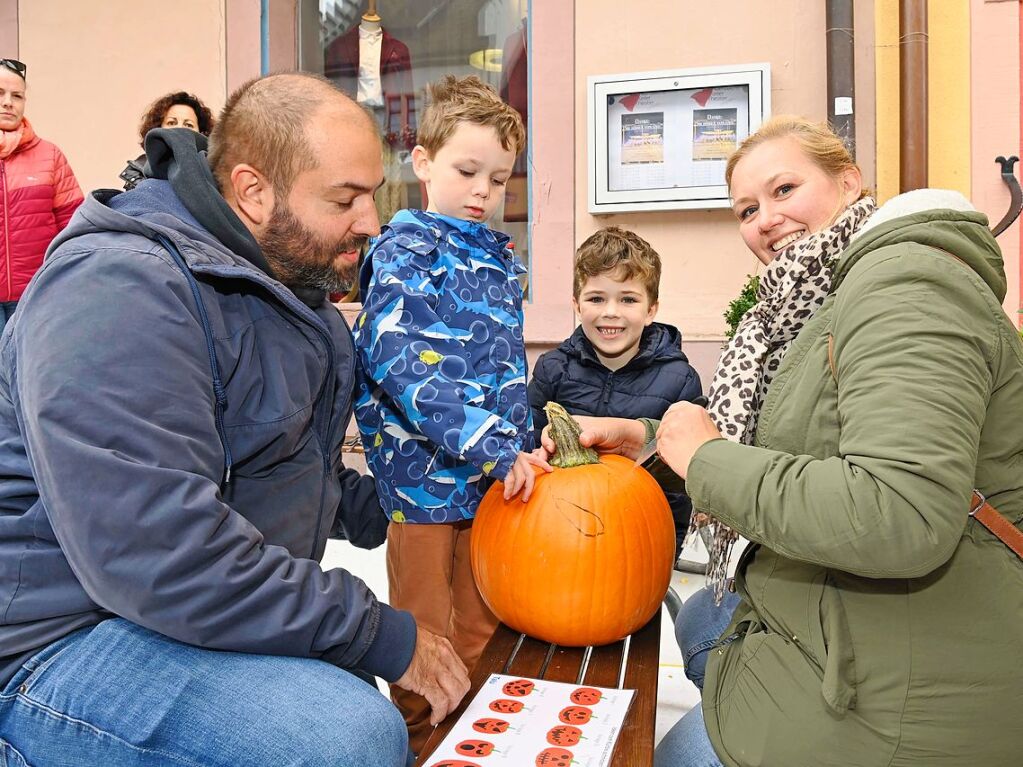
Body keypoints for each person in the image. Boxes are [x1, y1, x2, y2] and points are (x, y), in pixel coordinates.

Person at [0, 72, 471, 767]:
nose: (372, 222)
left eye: (373, 194)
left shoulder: (286, 281)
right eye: (345, 198)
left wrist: (427, 495)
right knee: (344, 735)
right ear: (252, 190)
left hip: (172, 610)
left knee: (354, 690)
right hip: (58, 637)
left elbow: (284, 469)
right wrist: (376, 629)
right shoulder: (120, 288)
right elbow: (161, 549)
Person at [543, 117, 1023, 767]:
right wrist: (650, 439)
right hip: (857, 631)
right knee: (699, 622)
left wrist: (706, 459)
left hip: (906, 688)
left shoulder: (906, 284)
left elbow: (900, 509)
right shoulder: (812, 300)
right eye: (746, 208)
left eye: (783, 189)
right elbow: (807, 442)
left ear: (848, 181)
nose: (764, 219)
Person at [353, 74, 547, 755]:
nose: (481, 194)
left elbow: (501, 371)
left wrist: (521, 442)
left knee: (482, 618)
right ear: (423, 161)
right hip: (422, 485)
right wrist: (492, 441)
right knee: (423, 628)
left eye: (497, 181)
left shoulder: (495, 259)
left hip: (491, 481)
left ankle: (469, 739)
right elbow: (400, 364)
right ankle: (414, 743)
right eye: (467, 172)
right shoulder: (406, 253)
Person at [528, 225, 703, 559]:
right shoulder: (553, 368)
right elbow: (527, 441)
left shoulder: (679, 379)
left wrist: (668, 543)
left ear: (651, 309)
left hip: (640, 540)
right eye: (597, 298)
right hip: (558, 534)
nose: (611, 312)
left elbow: (687, 476)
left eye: (628, 299)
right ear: (577, 304)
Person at [0, 57, 83, 329]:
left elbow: (74, 228)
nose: (8, 102)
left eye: (17, 95)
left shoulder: (50, 156)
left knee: (28, 372)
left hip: (35, 296)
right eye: (0, 93)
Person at [119, 90, 215, 190]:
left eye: (188, 125)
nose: (180, 128)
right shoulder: (138, 172)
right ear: (157, 129)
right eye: (172, 123)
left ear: (201, 133)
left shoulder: (213, 174)